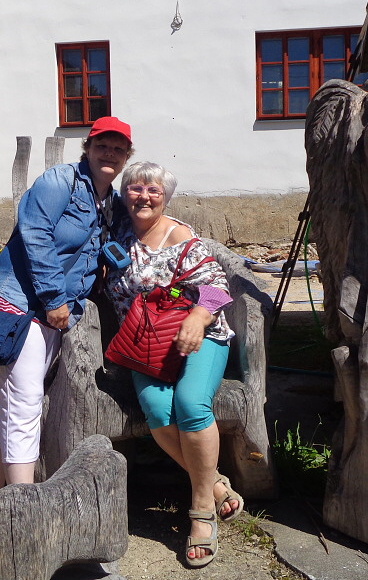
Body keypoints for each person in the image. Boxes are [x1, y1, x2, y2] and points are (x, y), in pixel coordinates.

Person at [0, 116, 134, 493]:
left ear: (126, 156)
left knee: (3, 403)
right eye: (102, 146)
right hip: (21, 303)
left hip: (52, 312)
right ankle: (22, 501)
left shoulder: (110, 201)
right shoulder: (59, 180)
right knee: (26, 402)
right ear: (87, 148)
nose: (109, 153)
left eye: (117, 148)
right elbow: (35, 234)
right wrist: (54, 298)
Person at [104, 161, 242, 568]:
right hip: (144, 346)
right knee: (157, 409)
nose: (144, 196)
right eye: (136, 188)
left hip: (198, 336)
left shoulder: (180, 237)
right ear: (124, 193)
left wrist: (197, 318)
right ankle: (214, 484)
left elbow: (218, 286)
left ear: (165, 196)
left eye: (153, 190)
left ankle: (201, 511)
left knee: (190, 403)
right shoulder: (116, 233)